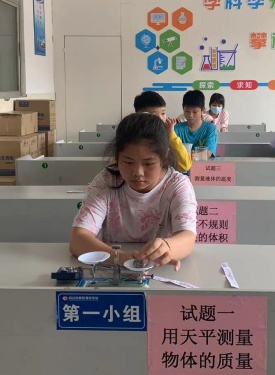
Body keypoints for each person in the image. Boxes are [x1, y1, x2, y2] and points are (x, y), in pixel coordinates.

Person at [70, 113, 197, 270]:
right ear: (117, 157)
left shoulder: (177, 185)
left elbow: (188, 237)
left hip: (160, 268)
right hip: (111, 269)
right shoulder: (107, 181)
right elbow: (78, 239)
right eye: (128, 162)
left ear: (164, 157)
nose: (138, 173)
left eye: (148, 163)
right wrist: (121, 258)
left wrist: (168, 247)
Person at [133, 91, 192, 173]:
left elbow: (185, 165)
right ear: (140, 115)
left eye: (163, 113)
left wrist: (171, 133)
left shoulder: (168, 135)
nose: (160, 118)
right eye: (154, 115)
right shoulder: (131, 137)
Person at [174, 90, 218, 158]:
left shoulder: (210, 128)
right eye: (187, 111)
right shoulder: (177, 128)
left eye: (195, 112)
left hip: (202, 164)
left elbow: (209, 152)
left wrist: (192, 156)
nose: (190, 115)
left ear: (202, 110)